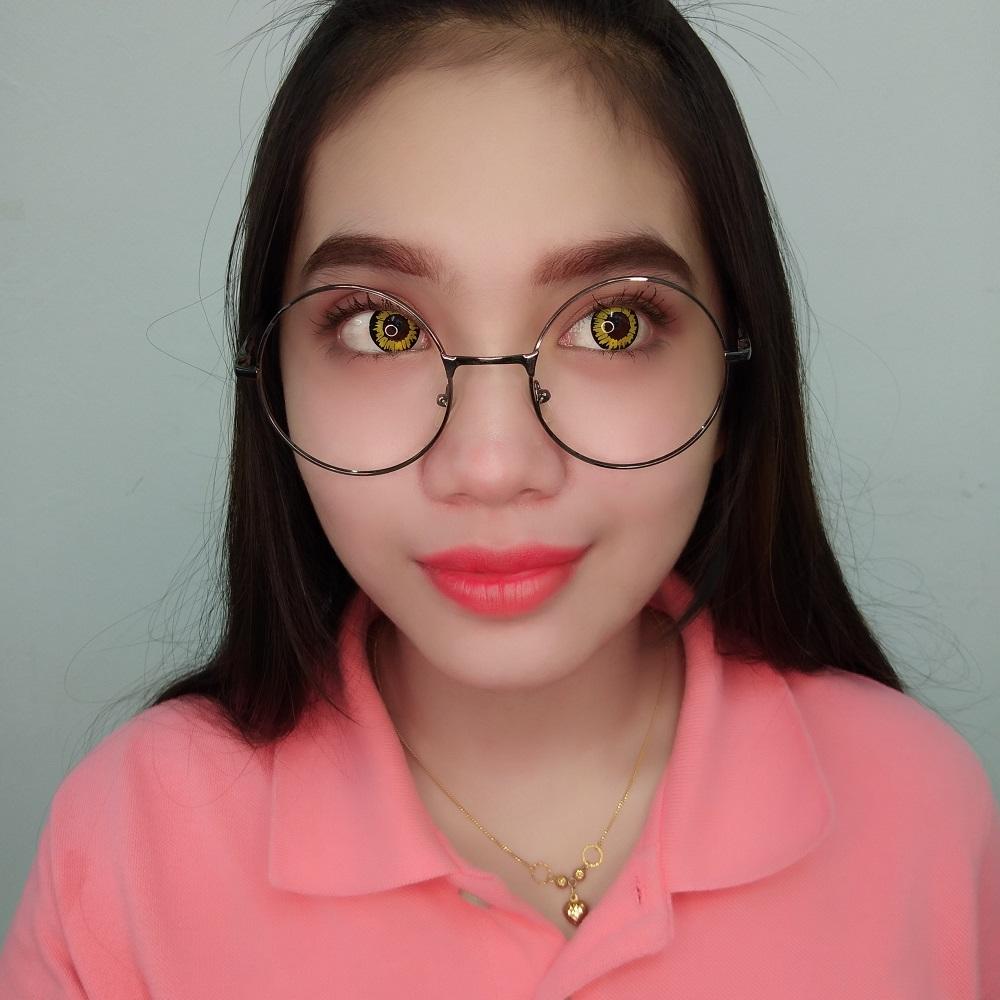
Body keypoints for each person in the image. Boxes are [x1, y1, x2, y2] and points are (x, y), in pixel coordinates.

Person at [1, 0, 997, 996]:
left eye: (611, 324)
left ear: (735, 372)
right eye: (384, 327)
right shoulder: (128, 840)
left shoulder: (920, 809)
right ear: (273, 376)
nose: (489, 463)